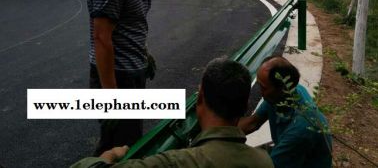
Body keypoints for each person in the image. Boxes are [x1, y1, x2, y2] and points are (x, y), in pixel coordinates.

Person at [72, 58, 274, 167]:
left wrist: (106, 157)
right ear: (246, 104)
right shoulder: (264, 161)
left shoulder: (177, 162)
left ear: (200, 97)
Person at [87, 0, 168, 155]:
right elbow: (101, 39)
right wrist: (111, 97)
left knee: (127, 144)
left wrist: (143, 53)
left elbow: (127, 25)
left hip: (130, 71)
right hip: (117, 78)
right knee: (120, 151)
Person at [239, 56, 332, 168]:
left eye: (263, 87)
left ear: (282, 89)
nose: (260, 91)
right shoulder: (282, 95)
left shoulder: (301, 129)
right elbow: (253, 123)